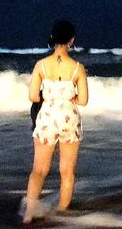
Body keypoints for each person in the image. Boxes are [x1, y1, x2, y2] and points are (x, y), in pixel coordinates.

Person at [23, 20, 88, 224]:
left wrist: (49, 96)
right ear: (72, 40)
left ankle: (29, 214)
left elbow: (33, 96)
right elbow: (84, 100)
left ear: (52, 38)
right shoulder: (78, 68)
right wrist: (70, 99)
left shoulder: (41, 65)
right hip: (69, 119)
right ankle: (61, 215)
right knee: (67, 171)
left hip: (47, 118)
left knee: (39, 170)